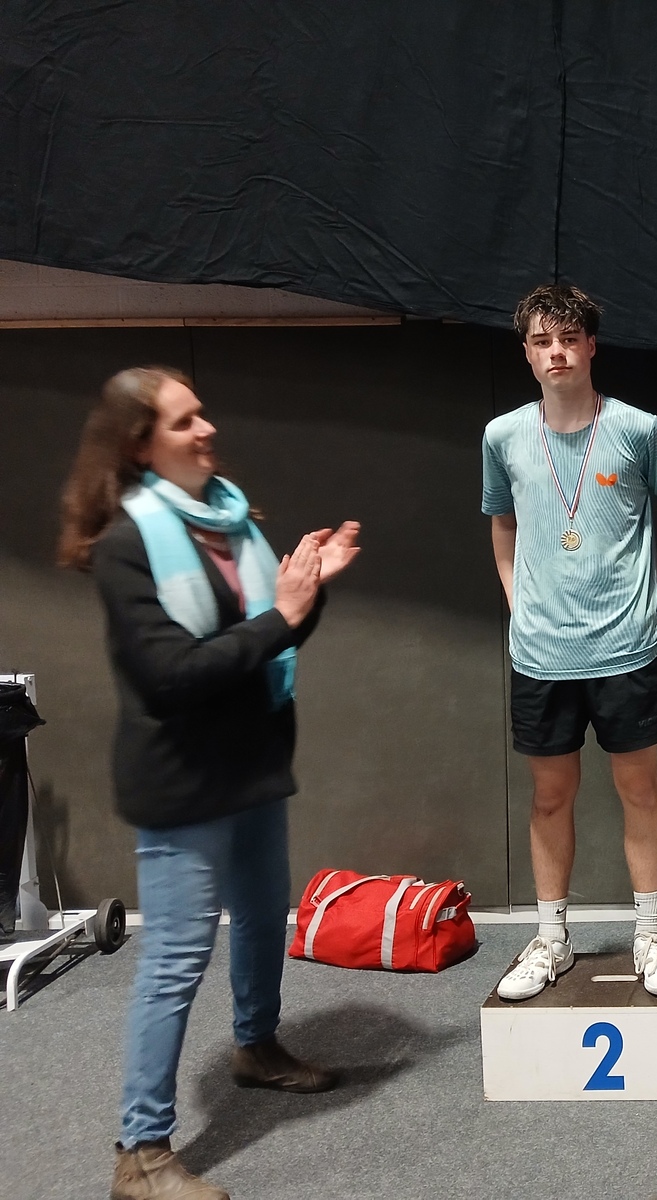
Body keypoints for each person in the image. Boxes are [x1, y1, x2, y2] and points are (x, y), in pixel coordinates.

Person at [59, 366, 360, 1200]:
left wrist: (308, 595)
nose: (207, 430)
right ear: (138, 445)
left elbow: (268, 637)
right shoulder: (127, 544)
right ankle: (140, 1153)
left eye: (202, 414)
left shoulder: (229, 518)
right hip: (183, 778)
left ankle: (256, 1048)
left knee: (263, 918)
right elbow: (171, 678)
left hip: (252, 760)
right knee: (175, 960)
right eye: (184, 421)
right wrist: (284, 613)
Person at [484, 283, 657, 1001]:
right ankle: (552, 939)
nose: (558, 353)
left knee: (640, 790)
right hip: (541, 653)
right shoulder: (502, 436)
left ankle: (650, 933)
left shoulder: (639, 430)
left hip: (628, 648)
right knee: (550, 798)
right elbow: (502, 523)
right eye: (543, 341)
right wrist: (517, 602)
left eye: (569, 339)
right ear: (526, 353)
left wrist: (655, 598)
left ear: (592, 345)